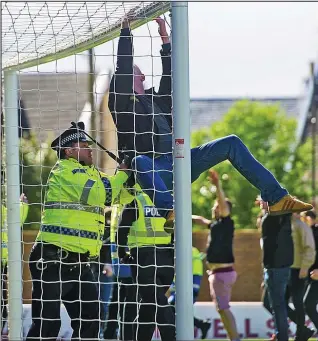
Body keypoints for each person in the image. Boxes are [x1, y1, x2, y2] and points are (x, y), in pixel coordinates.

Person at [109, 17, 313, 228]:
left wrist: (164, 37)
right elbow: (123, 66)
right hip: (154, 169)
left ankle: (276, 197)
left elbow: (169, 76)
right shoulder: (121, 104)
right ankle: (170, 211)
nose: (143, 76)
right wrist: (126, 30)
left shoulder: (155, 101)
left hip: (180, 161)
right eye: (137, 73)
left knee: (231, 142)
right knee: (139, 161)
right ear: (124, 80)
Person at [26, 122, 131, 341]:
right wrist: (122, 175)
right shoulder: (65, 171)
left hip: (81, 264)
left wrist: (131, 179)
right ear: (69, 151)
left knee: (91, 322)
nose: (90, 149)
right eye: (84, 145)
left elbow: (118, 194)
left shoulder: (93, 174)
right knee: (47, 325)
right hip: (53, 259)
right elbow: (104, 194)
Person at [117, 188, 175, 341]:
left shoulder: (137, 200)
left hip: (144, 260)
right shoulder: (170, 201)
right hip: (167, 260)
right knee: (149, 309)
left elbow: (121, 230)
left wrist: (122, 254)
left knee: (158, 304)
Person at [192, 169, 240, 341]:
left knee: (224, 309)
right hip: (217, 274)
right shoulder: (215, 225)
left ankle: (235, 338)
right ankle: (232, 338)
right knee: (222, 309)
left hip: (222, 273)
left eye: (217, 206)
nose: (214, 208)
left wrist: (217, 185)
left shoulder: (226, 223)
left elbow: (223, 205)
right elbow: (199, 219)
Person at [262, 212, 315, 341]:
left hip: (297, 270)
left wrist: (305, 266)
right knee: (273, 303)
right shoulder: (283, 223)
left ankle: (299, 334)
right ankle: (299, 329)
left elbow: (309, 247)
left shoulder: (301, 226)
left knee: (297, 302)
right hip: (284, 268)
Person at [259, 199, 294, 341]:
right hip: (272, 268)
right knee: (273, 304)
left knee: (278, 305)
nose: (261, 203)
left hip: (277, 268)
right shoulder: (275, 217)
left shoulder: (278, 216)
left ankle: (282, 336)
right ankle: (280, 334)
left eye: (264, 201)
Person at [104, 199, 138, 341]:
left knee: (118, 305)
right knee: (124, 306)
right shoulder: (130, 212)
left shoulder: (118, 222)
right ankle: (116, 335)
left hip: (122, 269)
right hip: (126, 269)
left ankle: (112, 335)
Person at [168, 246, 211, 340]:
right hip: (180, 288)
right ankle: (202, 324)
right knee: (175, 311)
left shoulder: (189, 251)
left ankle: (202, 324)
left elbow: (196, 272)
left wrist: (194, 289)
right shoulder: (178, 251)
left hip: (188, 288)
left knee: (172, 308)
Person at [1, 193, 29, 335]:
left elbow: (14, 222)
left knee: (3, 306)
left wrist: (22, 205)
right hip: (4, 262)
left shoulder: (5, 210)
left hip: (4, 263)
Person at [303, 210, 318, 333]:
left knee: (308, 304)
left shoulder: (316, 232)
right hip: (311, 277)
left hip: (316, 276)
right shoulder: (306, 233)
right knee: (308, 305)